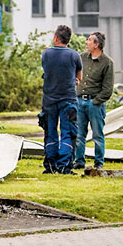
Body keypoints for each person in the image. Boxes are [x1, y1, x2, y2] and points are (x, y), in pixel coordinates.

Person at [41, 25, 82, 174]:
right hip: (68, 99)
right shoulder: (74, 55)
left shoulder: (46, 54)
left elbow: (46, 71)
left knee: (50, 131)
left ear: (56, 38)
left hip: (49, 101)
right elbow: (79, 77)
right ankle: (64, 166)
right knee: (67, 132)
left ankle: (50, 166)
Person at [74, 32, 114, 170]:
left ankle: (98, 164)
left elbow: (108, 89)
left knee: (97, 134)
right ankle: (79, 161)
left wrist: (95, 102)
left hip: (95, 104)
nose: (86, 42)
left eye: (89, 40)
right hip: (79, 101)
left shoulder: (107, 63)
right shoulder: (81, 58)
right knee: (79, 134)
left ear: (97, 44)